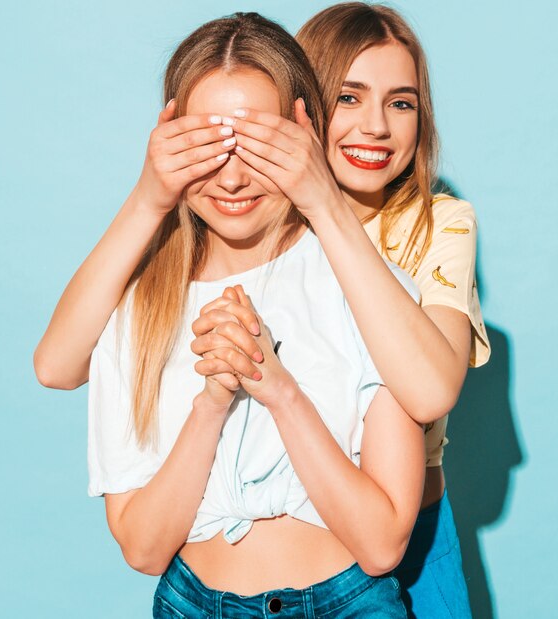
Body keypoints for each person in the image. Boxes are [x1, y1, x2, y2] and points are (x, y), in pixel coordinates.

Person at [34, 3, 490, 617]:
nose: (230, 176)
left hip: (368, 574)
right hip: (193, 597)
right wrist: (150, 196)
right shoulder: (139, 301)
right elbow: (57, 369)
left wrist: (274, 385)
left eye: (257, 143)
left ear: (299, 131)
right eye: (205, 144)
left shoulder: (385, 281)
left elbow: (393, 508)